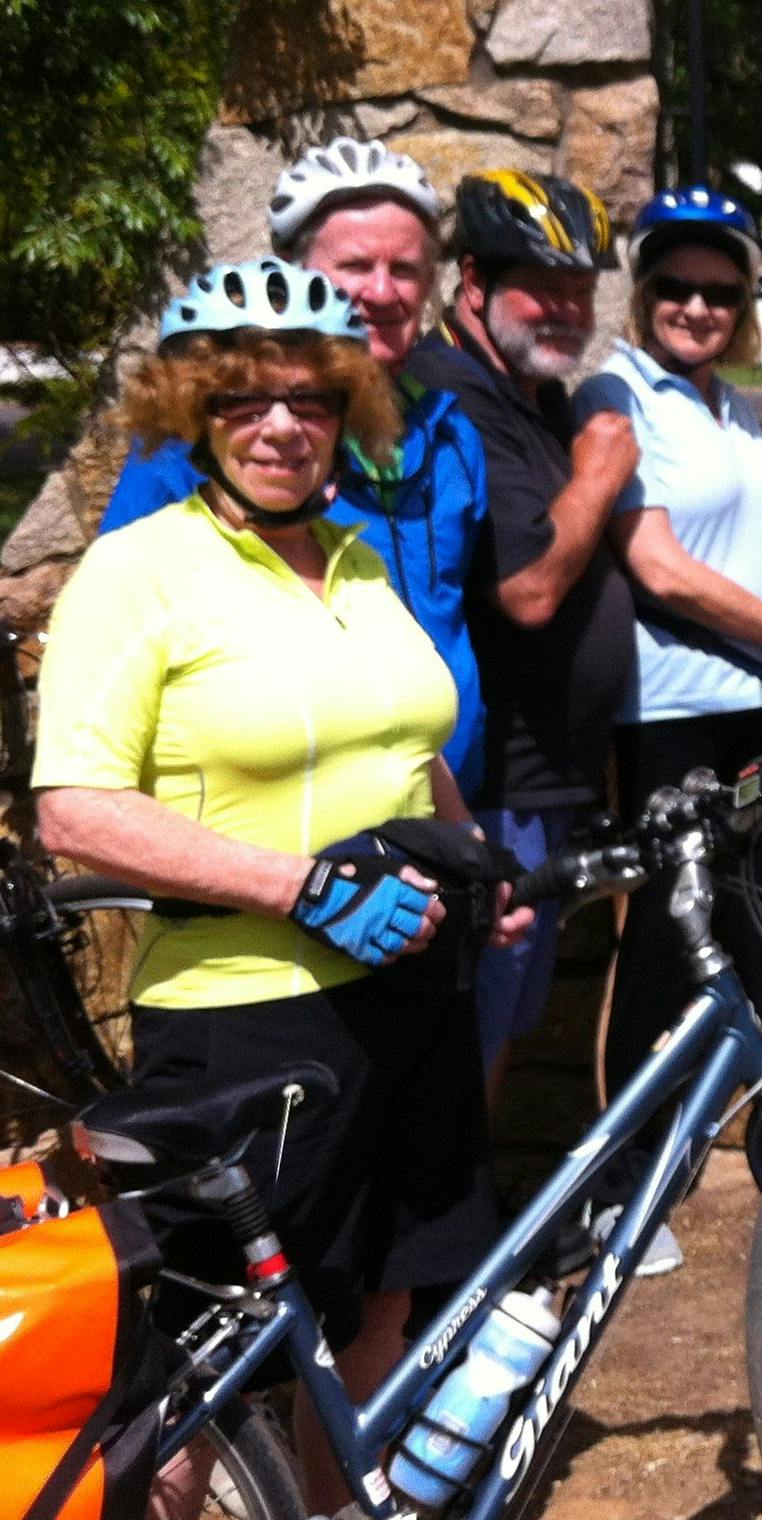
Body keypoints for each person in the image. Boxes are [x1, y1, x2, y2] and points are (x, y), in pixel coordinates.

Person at [33, 260, 523, 1506]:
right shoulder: (141, 571)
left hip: (407, 998)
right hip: (245, 1019)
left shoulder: (356, 559)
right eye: (245, 399)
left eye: (310, 400)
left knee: (371, 1324)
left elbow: (406, 748)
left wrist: (476, 868)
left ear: (347, 407)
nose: (281, 426)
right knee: (198, 1374)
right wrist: (301, 888)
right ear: (194, 410)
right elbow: (73, 809)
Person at [572, 184, 762, 1276]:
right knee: (658, 941)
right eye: (677, 287)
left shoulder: (733, 406)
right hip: (669, 713)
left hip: (756, 709)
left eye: (720, 292)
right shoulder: (614, 392)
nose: (697, 306)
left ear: (742, 304)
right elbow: (655, 564)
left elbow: (760, 544)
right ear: (645, 291)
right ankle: (617, 1193)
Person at [96, 138, 491, 799]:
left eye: (406, 268)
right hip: (277, 824)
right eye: (356, 266)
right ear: (298, 274)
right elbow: (119, 638)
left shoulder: (452, 434)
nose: (383, 291)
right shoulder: (202, 439)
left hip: (442, 810)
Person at [406, 170, 637, 1096]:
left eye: (582, 289)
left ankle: (480, 1224)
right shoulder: (455, 395)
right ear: (473, 284)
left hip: (542, 778)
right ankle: (460, 1235)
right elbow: (531, 589)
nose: (568, 309)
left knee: (500, 1025)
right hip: (491, 785)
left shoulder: (527, 392)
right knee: (473, 1032)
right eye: (544, 286)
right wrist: (599, 472)